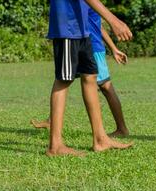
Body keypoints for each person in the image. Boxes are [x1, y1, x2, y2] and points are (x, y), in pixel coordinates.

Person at [44, 0, 133, 156]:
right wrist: (113, 20)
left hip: (82, 28)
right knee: (64, 80)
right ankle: (55, 146)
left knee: (90, 76)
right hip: (68, 26)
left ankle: (100, 139)